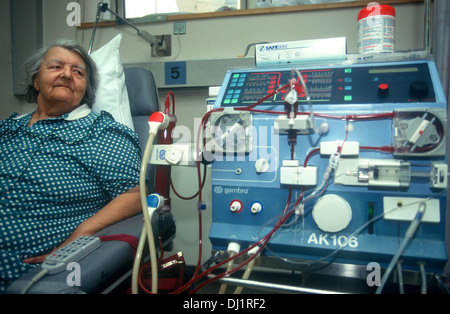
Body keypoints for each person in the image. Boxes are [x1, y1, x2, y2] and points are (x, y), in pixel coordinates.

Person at [0, 40, 143, 293]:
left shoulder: (102, 132)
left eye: (78, 72)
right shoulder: (7, 129)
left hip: (20, 263)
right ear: (36, 81)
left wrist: (80, 233)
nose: (67, 74)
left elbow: (134, 195)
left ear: (86, 89)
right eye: (56, 66)